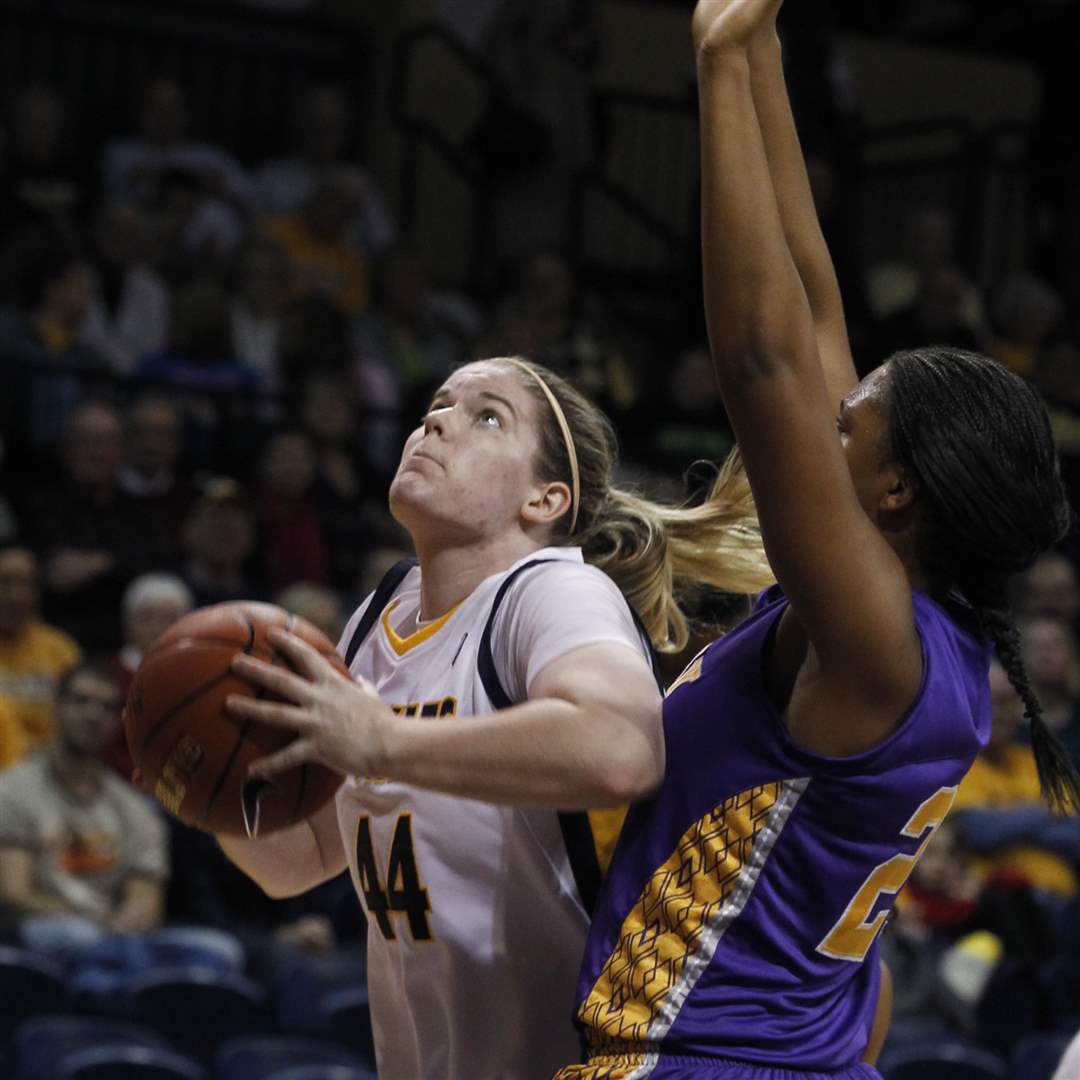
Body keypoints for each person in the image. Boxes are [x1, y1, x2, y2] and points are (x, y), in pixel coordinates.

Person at [549, 1, 1079, 1077]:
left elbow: (766, 362)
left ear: (894, 492)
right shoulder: (914, 631)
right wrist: (752, 46)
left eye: (848, 423)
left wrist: (708, 71)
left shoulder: (876, 639)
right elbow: (810, 293)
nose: (819, 424)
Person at [215, 352, 772, 1079]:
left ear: (545, 501)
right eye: (436, 405)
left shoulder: (551, 592)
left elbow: (621, 749)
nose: (437, 421)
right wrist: (209, 783)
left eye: (486, 416)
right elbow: (296, 858)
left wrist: (385, 739)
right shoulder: (381, 615)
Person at [0, 662, 168, 948]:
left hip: (118, 937)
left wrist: (129, 919)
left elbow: (146, 898)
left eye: (107, 707)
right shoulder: (12, 791)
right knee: (81, 937)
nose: (93, 714)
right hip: (40, 933)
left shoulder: (135, 809)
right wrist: (95, 921)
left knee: (215, 948)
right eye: (81, 701)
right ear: (56, 707)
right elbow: (14, 893)